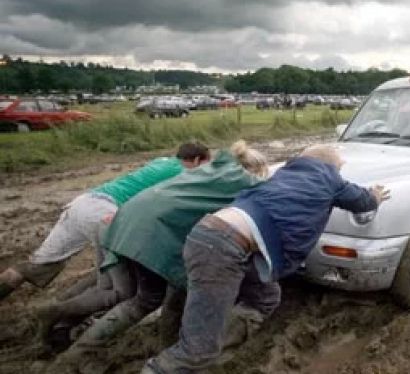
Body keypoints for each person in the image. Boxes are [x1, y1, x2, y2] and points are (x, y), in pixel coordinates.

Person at [143, 144, 390, 373]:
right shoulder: (329, 177)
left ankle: (213, 344)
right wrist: (375, 195)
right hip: (223, 248)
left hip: (212, 235)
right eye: (340, 167)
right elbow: (362, 202)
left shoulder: (283, 174)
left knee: (266, 296)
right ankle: (186, 357)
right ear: (331, 166)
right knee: (197, 350)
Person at [39, 141, 278, 355]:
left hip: (126, 219)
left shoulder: (208, 172)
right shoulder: (242, 185)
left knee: (122, 287)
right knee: (147, 298)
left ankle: (62, 318)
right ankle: (80, 351)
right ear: (253, 170)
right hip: (149, 233)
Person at [0, 142, 210, 302]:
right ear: (196, 160)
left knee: (37, 265)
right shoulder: (183, 172)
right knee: (120, 282)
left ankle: (57, 303)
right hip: (104, 213)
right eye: (204, 166)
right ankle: (64, 313)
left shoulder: (161, 162)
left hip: (81, 204)